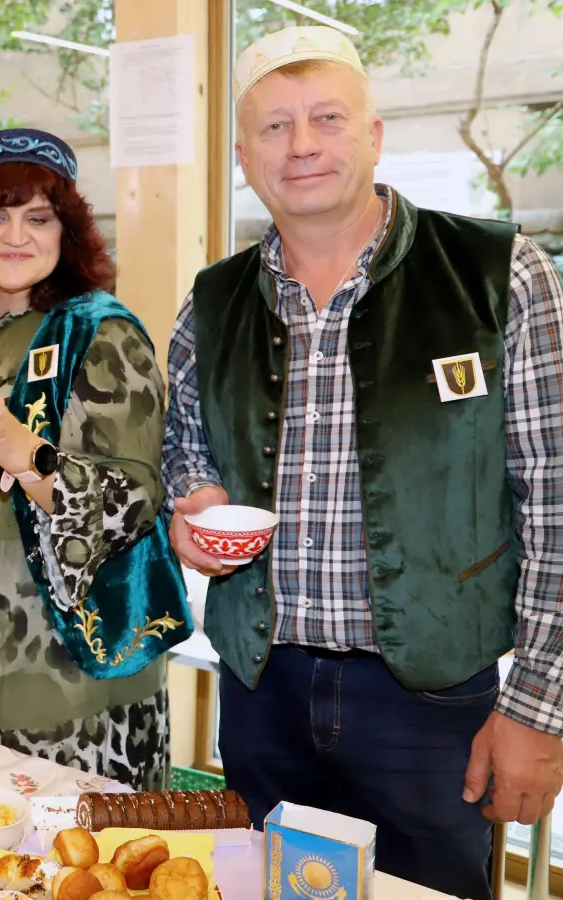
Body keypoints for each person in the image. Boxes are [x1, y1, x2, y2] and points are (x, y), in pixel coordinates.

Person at [162, 26, 563, 899]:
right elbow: (183, 442)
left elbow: (558, 500)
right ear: (244, 155)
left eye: (326, 119)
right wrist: (190, 499)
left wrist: (537, 709)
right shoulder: (213, 299)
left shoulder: (498, 273)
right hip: (260, 687)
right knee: (264, 889)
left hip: (430, 701)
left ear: (374, 135)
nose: (301, 145)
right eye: (274, 128)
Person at [0, 130, 191, 790]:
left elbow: (129, 505)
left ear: (67, 231)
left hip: (63, 667)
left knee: (73, 870)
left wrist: (17, 447)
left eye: (38, 218)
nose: (16, 236)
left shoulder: (101, 331)